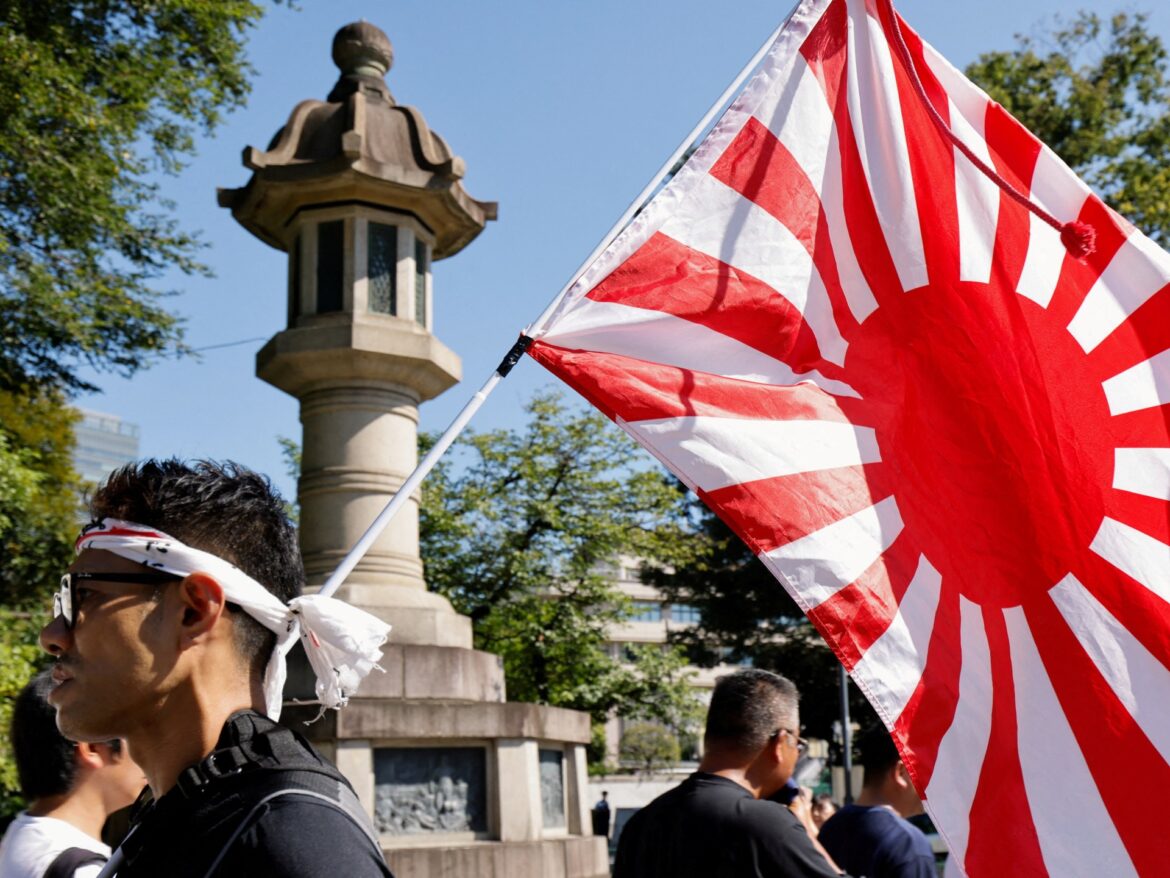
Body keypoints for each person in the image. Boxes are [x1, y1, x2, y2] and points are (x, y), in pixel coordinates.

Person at [38, 459, 395, 877]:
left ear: (194, 611)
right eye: (62, 601)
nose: (52, 634)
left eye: (84, 595)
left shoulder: (292, 838)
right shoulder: (179, 813)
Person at [613, 668, 848, 877]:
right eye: (798, 743)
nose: (797, 753)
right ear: (780, 742)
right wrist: (806, 833)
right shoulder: (766, 824)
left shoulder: (641, 824)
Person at [0, 670, 144, 878]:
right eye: (133, 734)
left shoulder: (19, 836)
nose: (144, 751)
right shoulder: (82, 870)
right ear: (92, 747)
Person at [817, 727, 936, 878]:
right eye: (925, 771)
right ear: (900, 772)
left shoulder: (830, 829)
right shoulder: (907, 844)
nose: (930, 783)